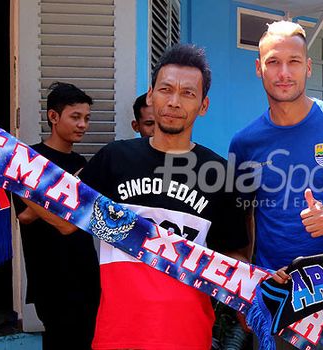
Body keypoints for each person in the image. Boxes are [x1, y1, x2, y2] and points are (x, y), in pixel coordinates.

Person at [76, 44, 249, 349]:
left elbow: (235, 257)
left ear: (203, 105)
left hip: (188, 335)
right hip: (118, 335)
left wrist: (257, 289)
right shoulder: (113, 159)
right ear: (150, 95)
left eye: (187, 93)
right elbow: (65, 215)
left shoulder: (219, 174)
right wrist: (6, 163)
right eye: (166, 89)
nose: (173, 101)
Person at [229, 20, 323, 349]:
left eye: (294, 62)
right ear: (259, 68)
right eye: (273, 62)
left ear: (308, 67)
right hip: (277, 287)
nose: (284, 72)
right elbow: (244, 219)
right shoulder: (244, 143)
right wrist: (247, 285)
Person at [12, 81, 100, 350]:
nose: (83, 124)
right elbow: (25, 216)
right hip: (50, 275)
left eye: (86, 118)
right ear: (53, 116)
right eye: (75, 117)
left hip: (85, 272)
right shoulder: (29, 161)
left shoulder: (82, 165)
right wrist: (58, 190)